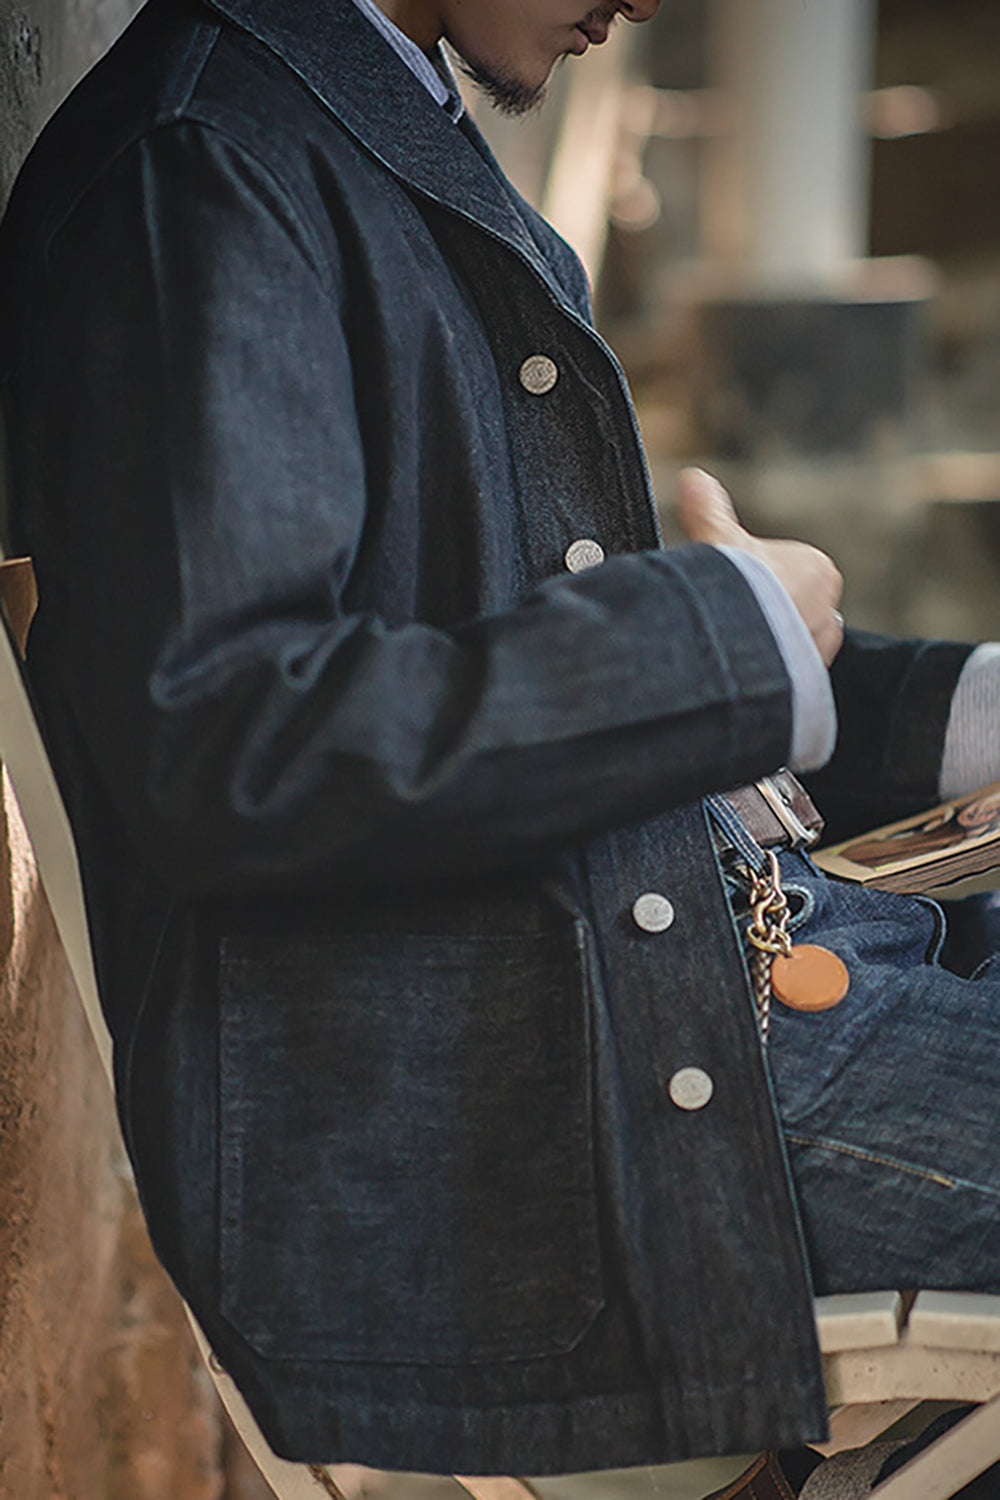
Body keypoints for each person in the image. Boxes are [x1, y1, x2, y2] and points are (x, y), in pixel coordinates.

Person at [3, 0, 1000, 1481]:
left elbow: (539, 671)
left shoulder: (346, 117)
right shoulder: (203, 168)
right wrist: (725, 634)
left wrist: (952, 702)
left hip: (702, 1001)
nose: (647, 5)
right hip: (568, 1123)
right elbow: (241, 742)